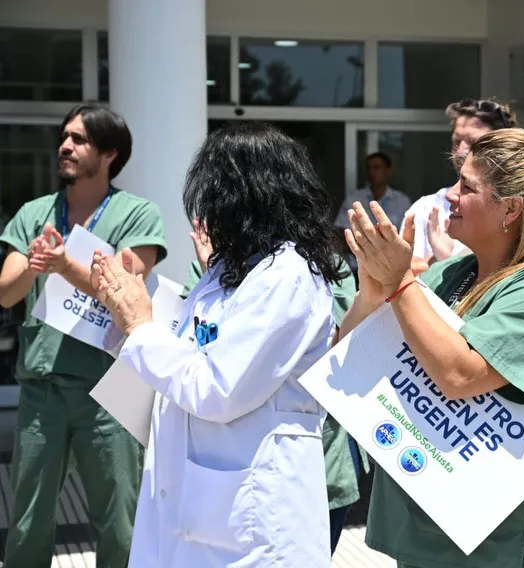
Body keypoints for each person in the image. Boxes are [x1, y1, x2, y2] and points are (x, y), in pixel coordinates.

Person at [339, 127, 524, 567]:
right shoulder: (454, 272)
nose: (450, 196)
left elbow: (460, 374)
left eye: (467, 187)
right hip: (425, 525)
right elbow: (352, 351)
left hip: (493, 542)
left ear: (511, 209)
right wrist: (371, 292)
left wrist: (400, 281)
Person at [89, 122, 346, 567]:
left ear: (249, 195)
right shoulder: (226, 270)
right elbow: (181, 359)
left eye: (216, 192)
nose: (206, 210)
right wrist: (126, 313)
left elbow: (216, 388)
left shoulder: (288, 275)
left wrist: (140, 325)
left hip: (251, 523)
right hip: (193, 506)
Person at [0, 103, 167, 568]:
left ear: (110, 153)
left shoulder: (137, 214)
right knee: (29, 521)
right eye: (64, 137)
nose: (65, 146)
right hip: (42, 390)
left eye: (78, 139)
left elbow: (124, 286)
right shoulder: (36, 213)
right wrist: (35, 265)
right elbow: (6, 294)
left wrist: (61, 263)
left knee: (122, 522)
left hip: (109, 392)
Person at [180, 220, 370, 555]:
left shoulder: (319, 262)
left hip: (318, 462)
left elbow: (337, 352)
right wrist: (214, 275)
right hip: (227, 466)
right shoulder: (214, 263)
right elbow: (188, 344)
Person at [403, 98, 517, 264]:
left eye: (473, 142)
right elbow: (404, 272)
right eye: (457, 142)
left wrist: (443, 261)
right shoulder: (427, 208)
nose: (461, 151)